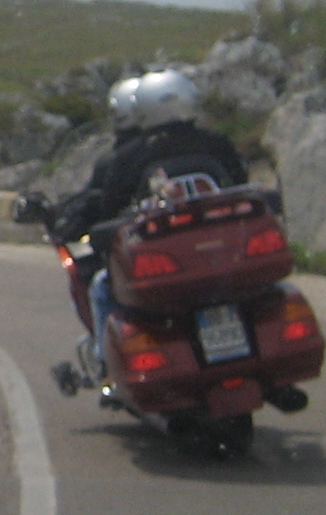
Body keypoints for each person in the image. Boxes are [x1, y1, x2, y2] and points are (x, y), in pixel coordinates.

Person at [43, 68, 250, 363]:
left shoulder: (131, 157)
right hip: (222, 249)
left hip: (164, 257)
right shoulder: (217, 143)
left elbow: (109, 209)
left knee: (103, 287)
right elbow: (239, 182)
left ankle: (105, 360)